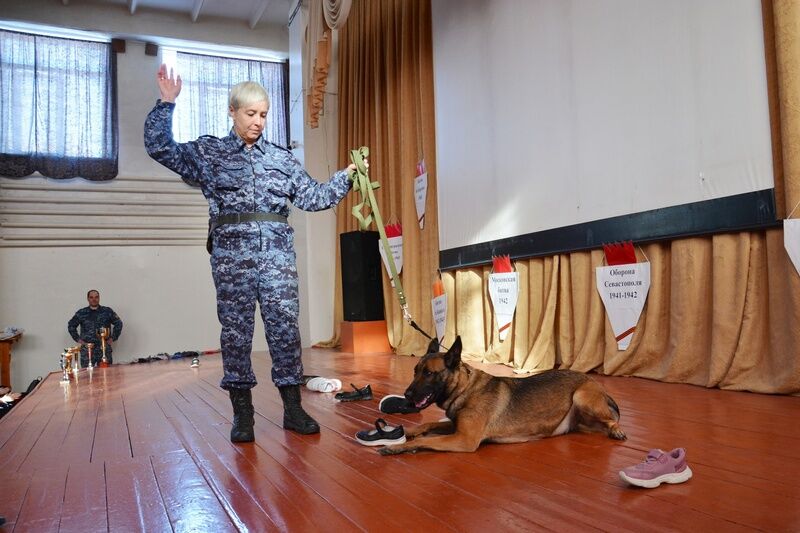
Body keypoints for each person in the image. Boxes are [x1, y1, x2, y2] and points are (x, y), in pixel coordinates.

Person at [144, 64, 359, 442]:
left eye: (263, 115)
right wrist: (166, 103)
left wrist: (346, 177)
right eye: (250, 114)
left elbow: (314, 197)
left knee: (285, 331)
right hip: (231, 262)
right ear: (232, 111)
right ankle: (242, 416)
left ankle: (293, 409)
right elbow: (161, 148)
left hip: (278, 261)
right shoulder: (209, 152)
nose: (258, 122)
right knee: (236, 334)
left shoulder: (281, 159)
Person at [67, 289, 123, 366]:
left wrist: (113, 338)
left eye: (96, 297)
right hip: (88, 350)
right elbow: (71, 325)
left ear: (99, 298)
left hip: (103, 349)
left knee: (106, 374)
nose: (94, 299)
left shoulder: (107, 311)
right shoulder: (81, 313)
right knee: (87, 375)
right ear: (88, 299)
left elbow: (118, 323)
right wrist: (78, 340)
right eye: (91, 297)